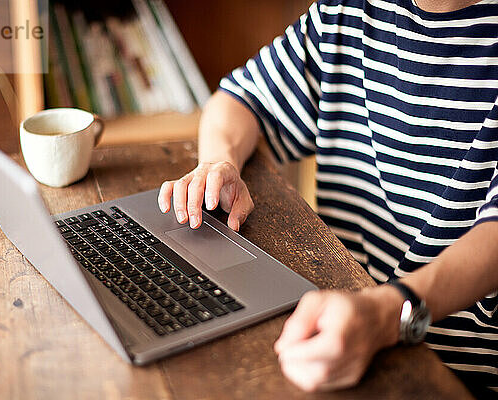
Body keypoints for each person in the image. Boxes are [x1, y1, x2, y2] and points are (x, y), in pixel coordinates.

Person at [157, 0, 498, 397]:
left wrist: (387, 314)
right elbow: (238, 100)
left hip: (456, 373)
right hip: (330, 329)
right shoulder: (347, 11)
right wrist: (219, 162)